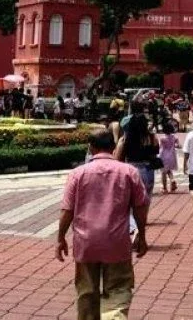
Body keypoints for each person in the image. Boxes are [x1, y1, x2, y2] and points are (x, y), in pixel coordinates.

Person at [57, 129, 149, 320]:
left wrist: (60, 238)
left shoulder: (78, 173)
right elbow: (140, 207)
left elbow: (67, 210)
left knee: (86, 292)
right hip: (117, 242)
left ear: (91, 148)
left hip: (86, 242)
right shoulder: (129, 172)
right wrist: (142, 235)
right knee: (118, 289)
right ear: (114, 147)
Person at [115, 103, 159, 236]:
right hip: (148, 170)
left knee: (128, 202)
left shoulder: (126, 139)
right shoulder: (151, 137)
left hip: (131, 169)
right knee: (145, 200)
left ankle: (133, 228)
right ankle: (141, 225)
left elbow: (118, 157)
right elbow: (156, 151)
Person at [158, 122, 180, 194]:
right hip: (172, 156)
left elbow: (160, 147)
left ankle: (164, 188)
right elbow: (178, 145)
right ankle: (172, 180)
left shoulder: (162, 138)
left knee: (163, 172)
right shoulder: (174, 137)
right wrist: (176, 145)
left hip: (163, 156)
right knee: (169, 171)